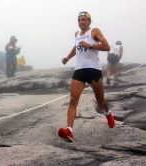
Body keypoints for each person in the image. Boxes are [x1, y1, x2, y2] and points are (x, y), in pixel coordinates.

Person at [58, 11, 115, 143]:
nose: (81, 22)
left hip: (93, 70)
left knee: (101, 101)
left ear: (89, 21)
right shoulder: (77, 34)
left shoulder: (94, 31)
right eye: (79, 20)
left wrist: (89, 45)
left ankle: (108, 113)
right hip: (79, 70)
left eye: (84, 19)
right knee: (73, 100)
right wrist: (67, 57)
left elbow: (107, 46)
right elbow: (76, 47)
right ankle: (69, 131)